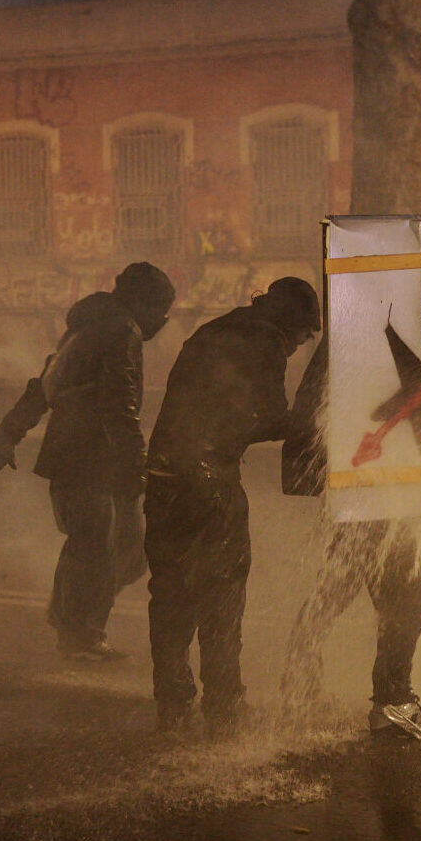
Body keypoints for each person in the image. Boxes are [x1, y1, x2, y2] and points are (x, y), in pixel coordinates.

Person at [143, 276, 321, 735]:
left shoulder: (215, 331)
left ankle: (173, 703)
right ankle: (224, 707)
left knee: (170, 593)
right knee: (221, 596)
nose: (298, 349)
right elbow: (263, 418)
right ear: (291, 323)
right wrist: (314, 419)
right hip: (209, 483)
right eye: (302, 337)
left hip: (163, 477)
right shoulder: (263, 341)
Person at [0, 262, 176, 661]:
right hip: (91, 458)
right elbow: (121, 406)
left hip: (85, 456)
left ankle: (72, 616)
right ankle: (79, 632)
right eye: (159, 311)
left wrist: (5, 435)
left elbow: (45, 385)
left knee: (122, 551)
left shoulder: (89, 326)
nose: (162, 322)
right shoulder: (119, 331)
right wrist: (138, 468)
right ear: (141, 303)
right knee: (100, 548)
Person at [278, 335, 421, 740]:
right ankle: (394, 703)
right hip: (378, 485)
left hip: (360, 481)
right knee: (405, 596)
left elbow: (311, 408)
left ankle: (299, 688)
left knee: (338, 586)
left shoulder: (352, 330)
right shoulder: (385, 329)